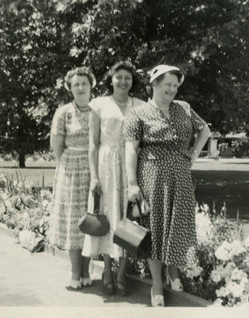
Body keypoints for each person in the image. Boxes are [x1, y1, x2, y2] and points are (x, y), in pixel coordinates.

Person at [125, 64, 210, 307]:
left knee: (177, 225)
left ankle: (173, 273)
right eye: (167, 85)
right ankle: (157, 285)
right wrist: (132, 184)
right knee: (155, 228)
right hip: (152, 176)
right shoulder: (138, 114)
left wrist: (193, 155)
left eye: (175, 85)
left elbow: (205, 130)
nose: (172, 89)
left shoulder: (184, 108)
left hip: (181, 177)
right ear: (154, 85)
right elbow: (130, 149)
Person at [82, 61, 144, 296]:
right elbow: (93, 143)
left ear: (132, 81)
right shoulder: (98, 105)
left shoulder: (140, 106)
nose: (123, 82)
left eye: (127, 78)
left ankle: (122, 273)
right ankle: (107, 269)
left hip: (130, 167)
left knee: (129, 219)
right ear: (111, 79)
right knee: (107, 217)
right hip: (106, 165)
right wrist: (94, 176)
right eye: (119, 77)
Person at [48, 67, 96, 290]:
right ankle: (76, 272)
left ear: (91, 85)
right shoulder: (63, 112)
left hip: (94, 170)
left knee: (91, 220)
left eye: (84, 83)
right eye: (75, 84)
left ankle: (87, 271)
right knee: (74, 223)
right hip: (71, 171)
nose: (80, 87)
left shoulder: (98, 110)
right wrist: (70, 164)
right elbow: (56, 146)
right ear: (70, 88)